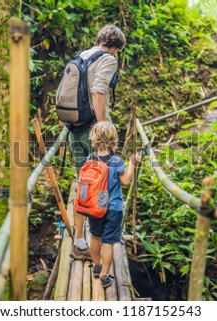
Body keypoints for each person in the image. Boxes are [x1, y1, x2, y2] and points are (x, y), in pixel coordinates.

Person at [70, 25, 126, 260]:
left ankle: (79, 241)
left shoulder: (83, 55)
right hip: (92, 130)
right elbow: (98, 92)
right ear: (116, 47)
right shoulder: (108, 60)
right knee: (103, 181)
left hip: (74, 126)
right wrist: (102, 126)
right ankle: (100, 234)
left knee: (83, 182)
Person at [86, 121, 141, 287]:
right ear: (113, 139)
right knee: (108, 241)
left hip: (95, 207)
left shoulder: (90, 159)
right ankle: (104, 275)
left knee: (95, 236)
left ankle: (96, 266)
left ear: (94, 139)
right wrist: (132, 163)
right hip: (113, 208)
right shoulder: (116, 161)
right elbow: (125, 181)